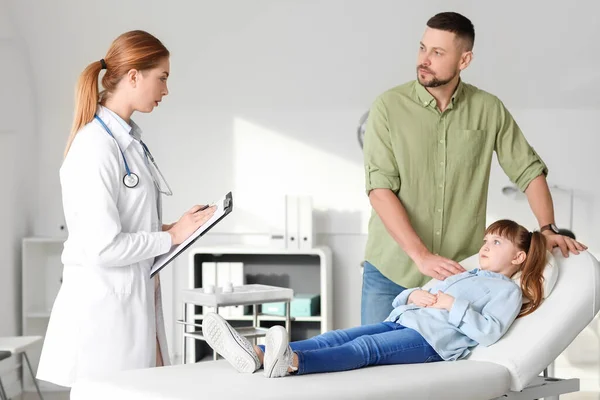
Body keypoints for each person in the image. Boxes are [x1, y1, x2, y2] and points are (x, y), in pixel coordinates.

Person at [361, 11, 587, 325]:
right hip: (392, 270)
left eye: (438, 53)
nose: (424, 59)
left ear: (464, 60)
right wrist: (420, 256)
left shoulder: (488, 110)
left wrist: (547, 228)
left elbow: (528, 170)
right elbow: (380, 190)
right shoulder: (388, 107)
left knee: (446, 369)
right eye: (423, 48)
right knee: (372, 364)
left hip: (460, 277)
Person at [37, 30, 216, 388]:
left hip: (132, 305)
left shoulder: (126, 142)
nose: (166, 90)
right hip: (104, 319)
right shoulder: (95, 148)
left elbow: (128, 225)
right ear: (134, 76)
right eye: (162, 78)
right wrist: (171, 238)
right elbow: (104, 247)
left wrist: (176, 228)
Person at [202, 219, 547, 377]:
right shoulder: (462, 273)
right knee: (337, 337)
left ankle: (292, 363)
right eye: (485, 241)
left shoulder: (508, 292)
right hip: (403, 322)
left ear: (519, 258)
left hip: (431, 344)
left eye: (497, 243)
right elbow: (404, 300)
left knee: (366, 351)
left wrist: (449, 305)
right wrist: (415, 295)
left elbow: (489, 331)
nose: (486, 247)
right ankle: (259, 354)